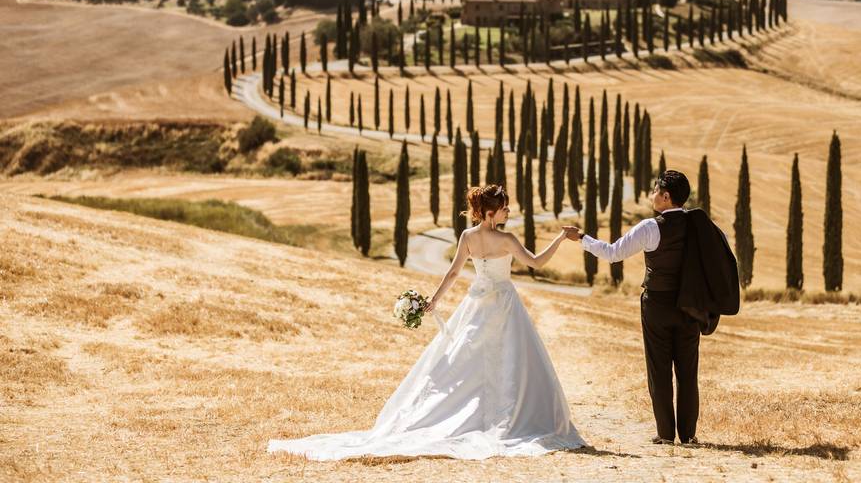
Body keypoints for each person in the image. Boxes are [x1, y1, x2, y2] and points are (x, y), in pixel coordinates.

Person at [268, 184, 585, 461]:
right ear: (491, 213)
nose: (508, 212)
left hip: (477, 304)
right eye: (504, 208)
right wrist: (560, 237)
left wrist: (434, 301)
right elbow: (537, 262)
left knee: (464, 363)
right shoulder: (508, 239)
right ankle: (505, 419)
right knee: (513, 363)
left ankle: (476, 416)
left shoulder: (468, 236)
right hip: (504, 305)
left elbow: (453, 273)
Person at [563, 169, 701, 446]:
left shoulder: (650, 227)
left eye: (654, 190)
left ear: (665, 196)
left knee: (658, 369)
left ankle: (665, 434)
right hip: (689, 306)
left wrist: (582, 238)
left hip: (658, 305)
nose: (651, 195)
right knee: (687, 371)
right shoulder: (699, 225)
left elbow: (613, 253)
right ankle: (688, 435)